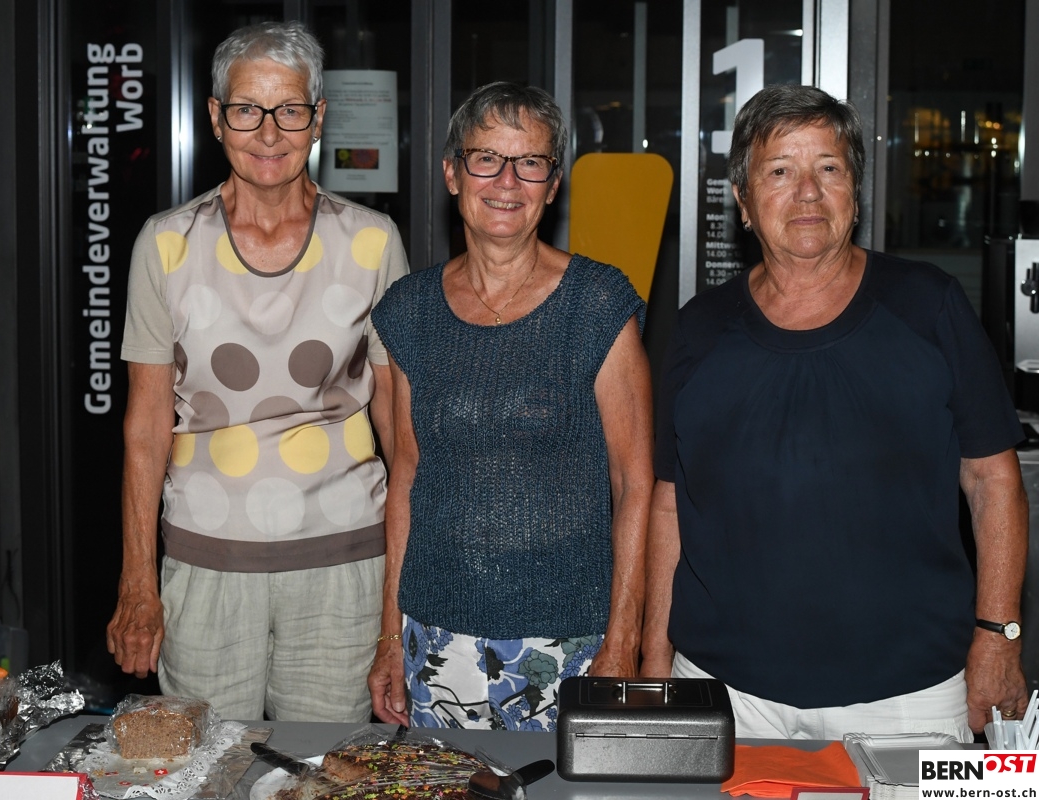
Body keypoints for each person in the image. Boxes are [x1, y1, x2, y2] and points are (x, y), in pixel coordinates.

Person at [642, 83, 1029, 741]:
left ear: (855, 193)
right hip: (721, 690)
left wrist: (999, 637)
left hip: (909, 696)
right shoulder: (697, 329)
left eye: (829, 168)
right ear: (742, 201)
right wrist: (655, 658)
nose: (808, 193)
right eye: (780, 172)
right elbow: (670, 504)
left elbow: (995, 481)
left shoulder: (929, 306)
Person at [106, 20, 408, 722]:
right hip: (205, 569)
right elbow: (146, 428)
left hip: (343, 569)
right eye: (247, 109)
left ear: (318, 119)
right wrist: (137, 581)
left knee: (326, 769)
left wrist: (398, 604)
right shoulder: (166, 245)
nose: (269, 132)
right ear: (216, 118)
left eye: (289, 110)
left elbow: (402, 431)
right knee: (204, 769)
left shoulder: (372, 242)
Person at [367, 82, 653, 731]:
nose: (507, 181)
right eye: (486, 158)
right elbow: (406, 477)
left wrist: (623, 638)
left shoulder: (597, 304)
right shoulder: (410, 311)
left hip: (571, 644)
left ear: (552, 185)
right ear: (452, 173)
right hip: (435, 638)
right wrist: (389, 636)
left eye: (530, 162)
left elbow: (635, 481)